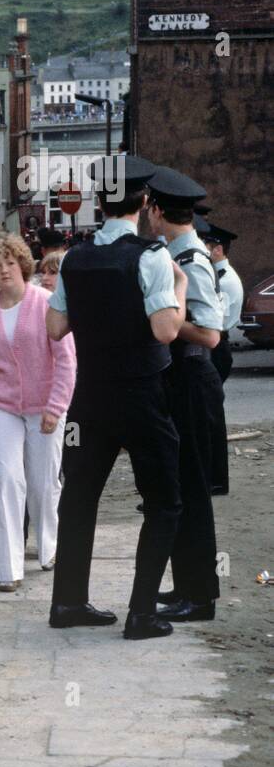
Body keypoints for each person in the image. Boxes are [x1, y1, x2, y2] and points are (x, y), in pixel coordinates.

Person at [46, 156, 190, 640]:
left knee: (80, 498)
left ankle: (67, 602)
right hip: (143, 394)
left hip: (89, 397)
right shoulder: (150, 258)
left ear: (99, 201)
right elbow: (166, 330)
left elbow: (55, 327)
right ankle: (141, 613)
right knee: (163, 501)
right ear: (146, 203)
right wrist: (180, 285)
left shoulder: (74, 257)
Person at [0, 233, 75, 591]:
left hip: (45, 404)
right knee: (5, 481)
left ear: (22, 265)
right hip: (2, 406)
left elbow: (66, 361)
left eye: (10, 263)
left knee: (43, 482)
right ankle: (8, 568)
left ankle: (49, 546)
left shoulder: (45, 301)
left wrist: (56, 407)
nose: (3, 270)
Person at [147, 168, 226, 624]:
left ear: (158, 211)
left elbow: (212, 334)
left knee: (192, 491)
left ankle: (200, 596)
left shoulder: (190, 261)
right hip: (183, 379)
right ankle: (186, 584)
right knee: (180, 487)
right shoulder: (175, 252)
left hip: (193, 378)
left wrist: (168, 323)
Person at [202, 218, 240, 495]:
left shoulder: (225, 280)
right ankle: (214, 478)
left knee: (213, 417)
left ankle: (217, 479)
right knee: (210, 415)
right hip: (216, 346)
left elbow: (217, 321)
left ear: (218, 250)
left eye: (209, 244)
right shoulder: (219, 275)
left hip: (218, 347)